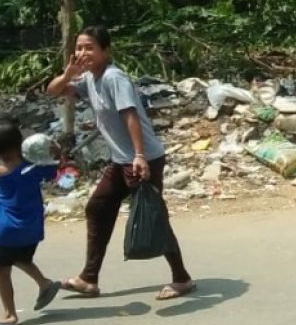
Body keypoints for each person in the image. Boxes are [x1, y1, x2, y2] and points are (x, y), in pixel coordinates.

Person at [46, 25, 196, 300]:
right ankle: (88, 279)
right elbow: (54, 90)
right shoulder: (90, 79)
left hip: (142, 158)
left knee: (153, 216)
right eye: (79, 48)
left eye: (89, 47)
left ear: (106, 51)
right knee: (98, 208)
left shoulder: (115, 78)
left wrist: (139, 156)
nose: (82, 53)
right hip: (120, 161)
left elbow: (131, 116)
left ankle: (182, 278)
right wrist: (68, 74)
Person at [0, 119, 61, 325]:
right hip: (31, 227)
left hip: (6, 229)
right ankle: (45, 284)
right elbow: (53, 171)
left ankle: (9, 314)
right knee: (20, 258)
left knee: (2, 269)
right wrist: (55, 153)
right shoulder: (36, 168)